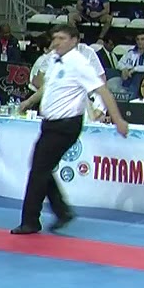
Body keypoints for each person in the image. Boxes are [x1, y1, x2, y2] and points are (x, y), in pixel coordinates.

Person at [11, 24, 129, 235]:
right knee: (41, 168)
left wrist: (118, 119)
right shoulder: (55, 60)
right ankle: (61, 211)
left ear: (74, 41)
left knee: (39, 169)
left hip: (66, 125)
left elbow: (102, 90)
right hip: (50, 123)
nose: (56, 42)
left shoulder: (79, 63)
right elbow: (48, 87)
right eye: (55, 37)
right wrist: (29, 101)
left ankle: (30, 221)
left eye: (62, 38)